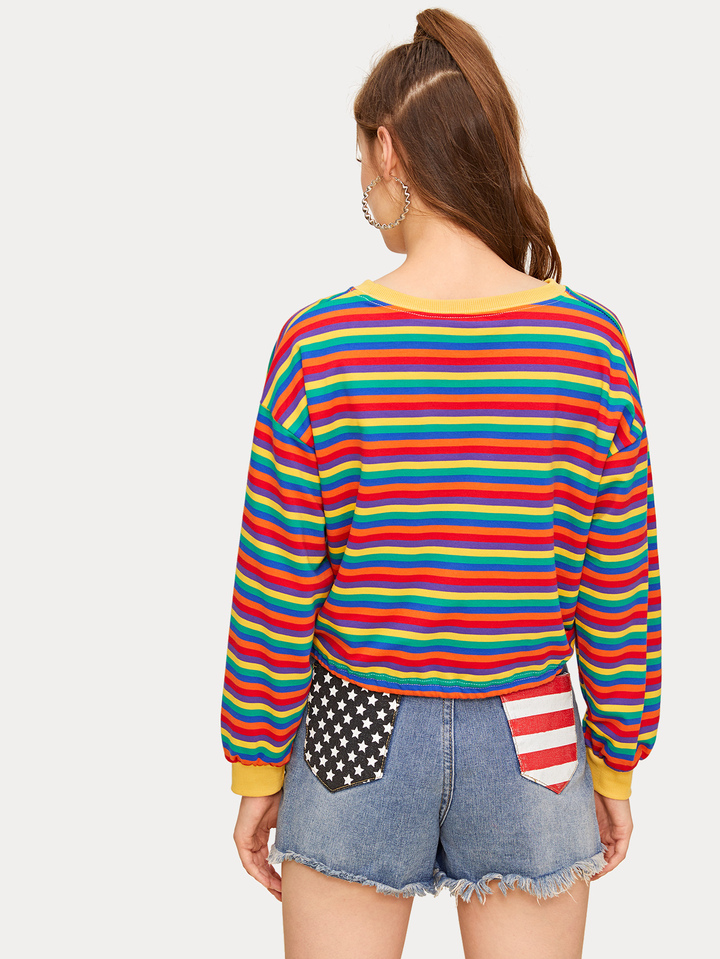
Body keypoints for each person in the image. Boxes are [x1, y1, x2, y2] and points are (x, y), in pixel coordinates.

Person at [220, 8, 661, 958]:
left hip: (355, 721)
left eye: (359, 163)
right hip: (535, 728)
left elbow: (278, 580)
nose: (363, 187)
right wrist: (616, 764)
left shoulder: (322, 343)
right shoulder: (590, 343)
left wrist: (255, 766)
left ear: (389, 149)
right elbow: (619, 584)